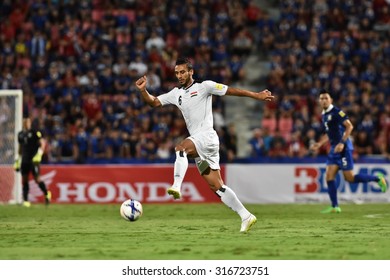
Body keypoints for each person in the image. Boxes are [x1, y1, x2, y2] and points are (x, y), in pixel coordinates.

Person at [135, 57, 274, 232]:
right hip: (200, 142)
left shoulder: (204, 87)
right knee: (217, 186)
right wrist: (143, 91)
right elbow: (154, 102)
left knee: (180, 148)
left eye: (183, 72)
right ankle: (246, 216)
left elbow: (230, 91)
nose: (179, 75)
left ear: (191, 72)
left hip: (207, 137)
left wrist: (256, 95)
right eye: (177, 72)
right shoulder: (176, 93)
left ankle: (177, 185)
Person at [310, 90, 387, 213]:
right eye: (321, 98)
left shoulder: (337, 112)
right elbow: (329, 134)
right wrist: (319, 143)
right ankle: (335, 206)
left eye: (326, 98)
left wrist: (342, 142)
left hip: (343, 148)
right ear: (319, 101)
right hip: (334, 149)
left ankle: (377, 179)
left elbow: (349, 126)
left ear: (331, 100)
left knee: (350, 178)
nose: (324, 100)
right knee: (329, 176)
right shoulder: (324, 114)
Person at [14, 117, 51, 207]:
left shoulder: (34, 132)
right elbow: (20, 148)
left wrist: (39, 154)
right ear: (23, 123)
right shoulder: (20, 134)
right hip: (25, 160)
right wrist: (18, 159)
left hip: (34, 160)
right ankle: (26, 200)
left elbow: (43, 143)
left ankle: (46, 193)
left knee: (37, 180)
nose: (27, 124)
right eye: (26, 122)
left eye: (28, 122)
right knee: (24, 180)